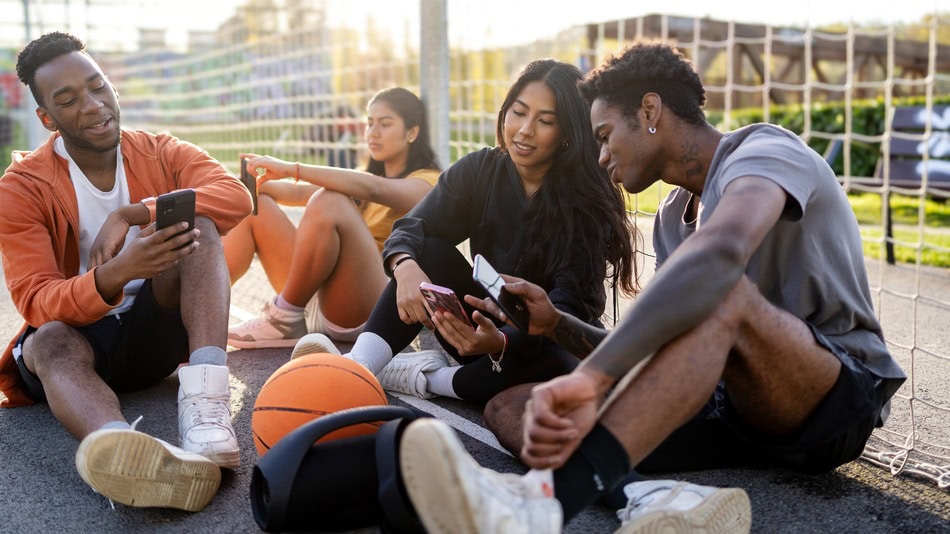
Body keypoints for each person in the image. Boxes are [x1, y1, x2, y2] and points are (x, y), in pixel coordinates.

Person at [395, 41, 907, 533]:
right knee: (515, 408)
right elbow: (665, 348)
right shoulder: (669, 219)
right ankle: (653, 497)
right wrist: (557, 325)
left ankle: (543, 504)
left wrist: (593, 378)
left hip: (832, 399)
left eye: (603, 135)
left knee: (715, 291)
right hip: (731, 410)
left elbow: (722, 257)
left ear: (649, 111)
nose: (599, 157)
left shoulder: (764, 151)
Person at [0, 32, 253, 512]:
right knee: (48, 337)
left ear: (112, 86)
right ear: (47, 118)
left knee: (196, 222)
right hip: (76, 346)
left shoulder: (159, 150)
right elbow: (35, 299)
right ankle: (123, 454)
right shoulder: (21, 188)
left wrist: (135, 214)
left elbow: (236, 195)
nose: (94, 106)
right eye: (69, 99)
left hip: (150, 339)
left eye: (98, 86)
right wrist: (114, 275)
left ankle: (206, 411)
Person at [306, 59, 636, 404]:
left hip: (542, 343)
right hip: (478, 328)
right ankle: (356, 368)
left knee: (553, 368)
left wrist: (503, 341)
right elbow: (412, 227)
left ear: (567, 133)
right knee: (427, 251)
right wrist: (403, 267)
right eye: (518, 112)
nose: (524, 130)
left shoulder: (584, 200)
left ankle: (427, 376)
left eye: (545, 121)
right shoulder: (480, 170)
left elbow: (568, 311)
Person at [225, 87, 441, 349]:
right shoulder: (362, 178)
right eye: (369, 123)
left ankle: (283, 317)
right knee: (254, 205)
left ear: (412, 133)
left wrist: (293, 168)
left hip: (366, 306)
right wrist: (252, 182)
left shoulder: (429, 183)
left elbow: (375, 188)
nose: (372, 132)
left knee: (330, 200)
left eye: (385, 124)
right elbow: (296, 192)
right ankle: (202, 317)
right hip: (315, 297)